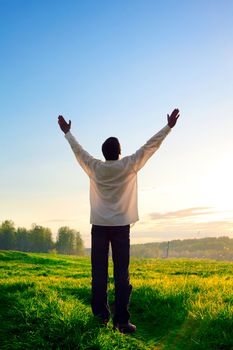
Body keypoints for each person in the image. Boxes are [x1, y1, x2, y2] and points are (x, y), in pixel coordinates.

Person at [58, 108, 180, 333]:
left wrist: (67, 133)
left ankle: (100, 319)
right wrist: (168, 128)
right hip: (121, 229)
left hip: (99, 228)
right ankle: (122, 322)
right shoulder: (128, 165)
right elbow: (149, 147)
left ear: (104, 153)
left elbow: (79, 151)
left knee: (99, 275)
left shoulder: (95, 168)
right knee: (122, 275)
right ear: (120, 152)